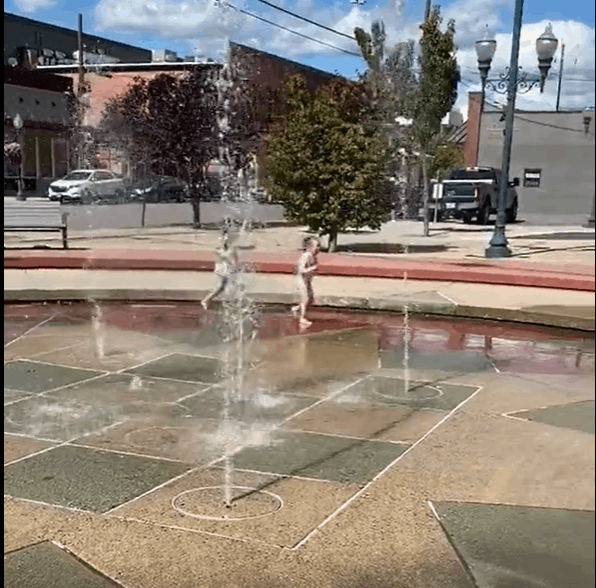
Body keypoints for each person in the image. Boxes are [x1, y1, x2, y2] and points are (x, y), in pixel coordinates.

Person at [201, 232, 239, 310]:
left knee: (225, 287)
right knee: (221, 286)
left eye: (226, 241)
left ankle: (232, 303)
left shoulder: (232, 250)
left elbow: (235, 260)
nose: (225, 242)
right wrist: (224, 260)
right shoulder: (218, 250)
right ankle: (205, 300)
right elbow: (218, 259)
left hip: (227, 270)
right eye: (223, 240)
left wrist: (234, 267)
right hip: (221, 270)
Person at [291, 236, 320, 328]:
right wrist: (312, 268)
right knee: (305, 298)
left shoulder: (311, 256)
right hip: (301, 280)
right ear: (309, 248)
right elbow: (301, 270)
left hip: (306, 281)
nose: (318, 248)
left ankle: (296, 308)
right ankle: (302, 319)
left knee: (309, 297)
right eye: (316, 246)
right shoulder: (305, 256)